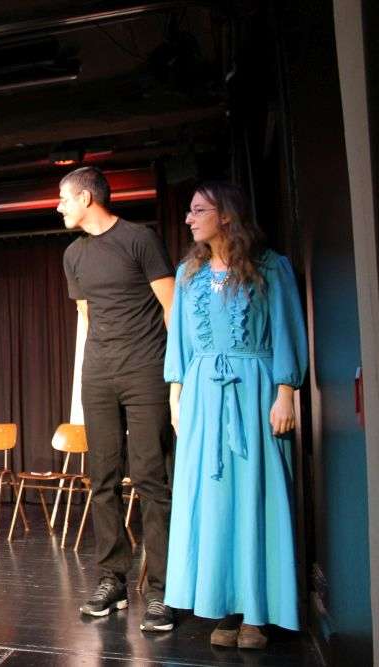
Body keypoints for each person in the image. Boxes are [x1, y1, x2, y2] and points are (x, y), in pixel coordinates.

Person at [164, 182, 307, 649]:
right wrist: (176, 397)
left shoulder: (269, 267)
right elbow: (180, 343)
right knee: (214, 498)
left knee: (255, 496)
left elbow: (286, 328)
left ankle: (257, 613)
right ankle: (224, 603)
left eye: (198, 210)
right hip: (203, 395)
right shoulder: (188, 274)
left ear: (225, 215)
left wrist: (285, 392)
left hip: (255, 390)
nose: (189, 218)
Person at [58, 166, 177, 631]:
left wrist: (177, 378)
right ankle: (113, 580)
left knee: (150, 477)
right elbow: (86, 319)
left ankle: (163, 590)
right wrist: (84, 379)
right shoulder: (73, 254)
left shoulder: (139, 239)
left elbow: (171, 307)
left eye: (64, 198)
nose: (59, 207)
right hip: (99, 375)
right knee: (102, 478)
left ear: (87, 198)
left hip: (145, 370)